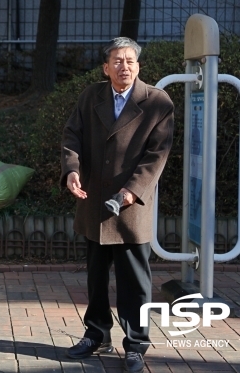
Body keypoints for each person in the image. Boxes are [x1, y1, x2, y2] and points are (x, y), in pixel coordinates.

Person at [60, 37, 174, 373]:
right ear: (106, 67)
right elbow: (72, 136)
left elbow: (158, 154)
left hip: (130, 206)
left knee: (134, 281)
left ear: (138, 66)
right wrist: (72, 170)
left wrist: (131, 190)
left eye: (130, 61)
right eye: (118, 61)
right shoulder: (91, 96)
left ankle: (136, 344)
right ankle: (96, 334)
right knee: (96, 277)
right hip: (94, 200)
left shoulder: (157, 101)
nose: (124, 66)